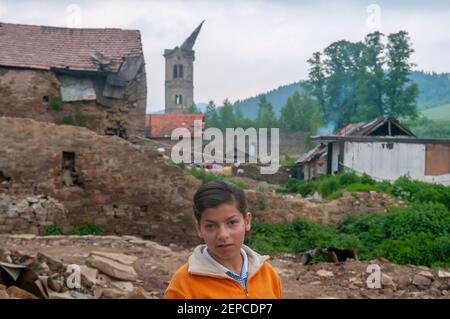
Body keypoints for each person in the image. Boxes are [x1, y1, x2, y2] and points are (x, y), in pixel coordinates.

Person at [164, 181, 282, 299]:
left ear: (247, 221)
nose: (223, 235)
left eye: (232, 222)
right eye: (211, 226)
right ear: (199, 228)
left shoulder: (267, 274)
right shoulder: (182, 286)